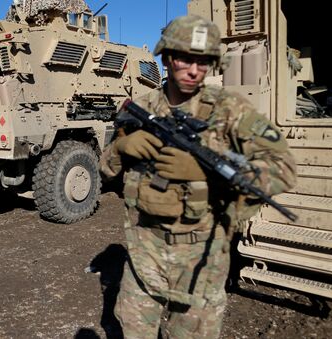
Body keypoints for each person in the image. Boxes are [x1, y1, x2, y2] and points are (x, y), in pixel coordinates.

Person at [100, 15, 297, 338]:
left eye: (203, 61)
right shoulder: (142, 108)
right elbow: (105, 169)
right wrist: (121, 147)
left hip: (201, 260)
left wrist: (205, 172)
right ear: (167, 58)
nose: (194, 70)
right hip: (143, 254)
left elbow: (283, 167)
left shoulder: (230, 110)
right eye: (185, 59)